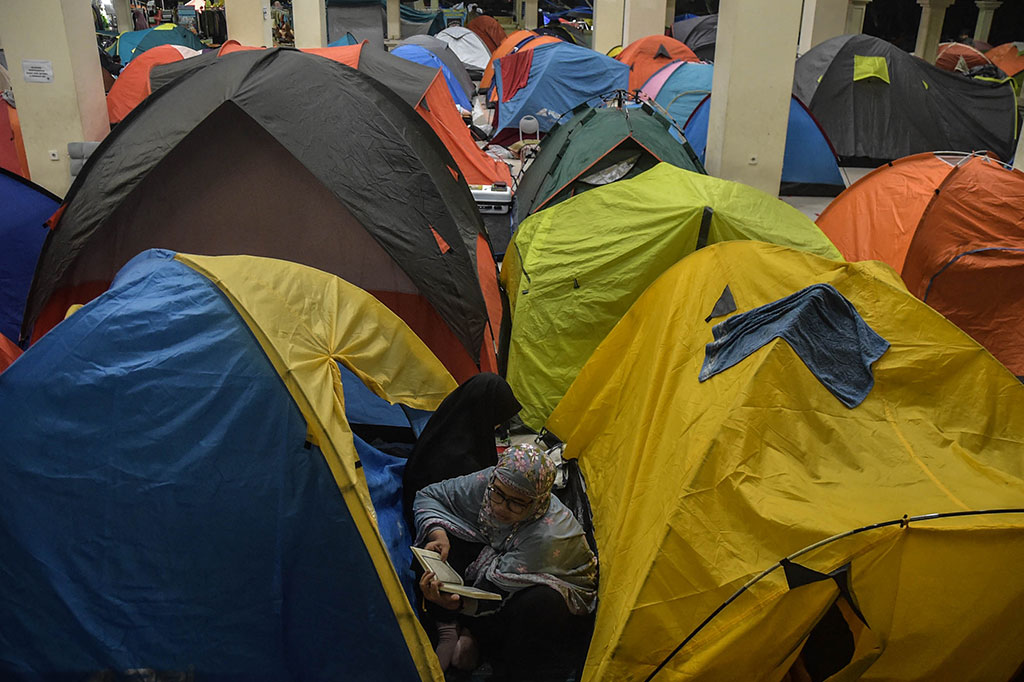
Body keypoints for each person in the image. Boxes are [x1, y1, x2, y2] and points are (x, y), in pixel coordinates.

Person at [413, 444, 598, 680]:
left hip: (541, 586)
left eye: (517, 503)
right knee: (435, 547)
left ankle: (478, 643)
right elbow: (429, 496)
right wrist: (438, 534)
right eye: (498, 494)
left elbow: (494, 595)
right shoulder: (490, 482)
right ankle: (448, 628)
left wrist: (456, 605)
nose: (500, 507)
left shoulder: (547, 536)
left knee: (538, 605)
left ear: (538, 502)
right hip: (500, 555)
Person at [402, 372, 521, 526]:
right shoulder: (461, 461)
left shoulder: (447, 425)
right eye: (497, 420)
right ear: (485, 414)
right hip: (437, 528)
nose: (498, 426)